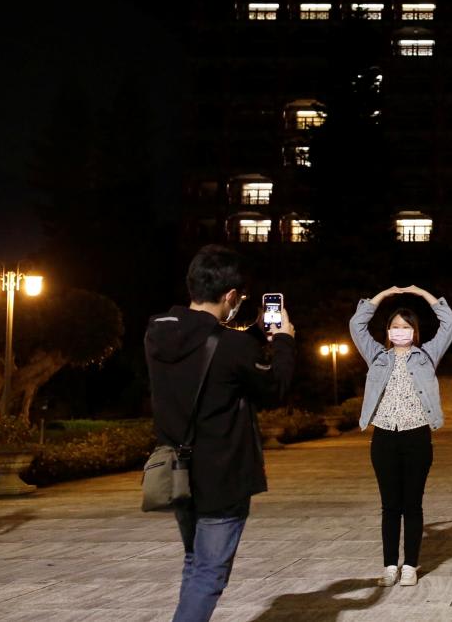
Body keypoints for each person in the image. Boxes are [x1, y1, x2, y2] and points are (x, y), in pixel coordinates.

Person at [146, 245, 296, 622]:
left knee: (196, 562)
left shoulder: (156, 334)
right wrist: (284, 340)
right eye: (239, 297)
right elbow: (274, 387)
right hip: (222, 475)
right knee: (210, 572)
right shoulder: (233, 346)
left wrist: (250, 336)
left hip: (177, 472)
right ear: (230, 296)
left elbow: (207, 352)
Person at [349, 284, 452, 587]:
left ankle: (410, 565)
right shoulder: (377, 357)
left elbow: (450, 322)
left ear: (414, 331)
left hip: (417, 436)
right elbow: (356, 324)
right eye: (395, 326)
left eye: (406, 327)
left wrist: (422, 294)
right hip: (384, 437)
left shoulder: (426, 356)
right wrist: (383, 295)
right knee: (389, 505)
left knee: (413, 504)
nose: (400, 331)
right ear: (388, 330)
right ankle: (389, 566)